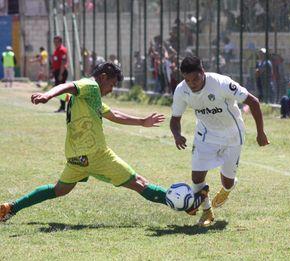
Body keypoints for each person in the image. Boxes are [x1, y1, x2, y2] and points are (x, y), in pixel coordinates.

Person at [0, 62, 169, 222]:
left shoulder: (91, 97)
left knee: (59, 189)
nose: (111, 90)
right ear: (103, 77)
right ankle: (185, 203)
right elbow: (68, 85)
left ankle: (11, 208)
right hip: (96, 154)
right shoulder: (91, 85)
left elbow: (114, 115)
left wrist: (141, 121)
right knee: (139, 182)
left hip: (76, 156)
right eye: (111, 85)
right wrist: (47, 95)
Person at [170, 56, 270, 227]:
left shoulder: (222, 83)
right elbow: (174, 119)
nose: (192, 83)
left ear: (203, 72)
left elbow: (253, 102)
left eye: (195, 79)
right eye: (187, 80)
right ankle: (207, 212)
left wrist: (260, 133)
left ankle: (228, 189)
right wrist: (177, 135)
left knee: (228, 181)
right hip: (205, 135)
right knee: (196, 176)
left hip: (232, 135)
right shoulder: (181, 90)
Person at [51, 36, 69, 112]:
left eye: (57, 42)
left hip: (61, 72)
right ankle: (62, 106)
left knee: (61, 90)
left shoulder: (62, 50)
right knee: (59, 90)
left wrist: (60, 74)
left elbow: (63, 62)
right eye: (54, 42)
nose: (55, 43)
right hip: (57, 71)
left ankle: (63, 107)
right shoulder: (56, 50)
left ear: (60, 42)